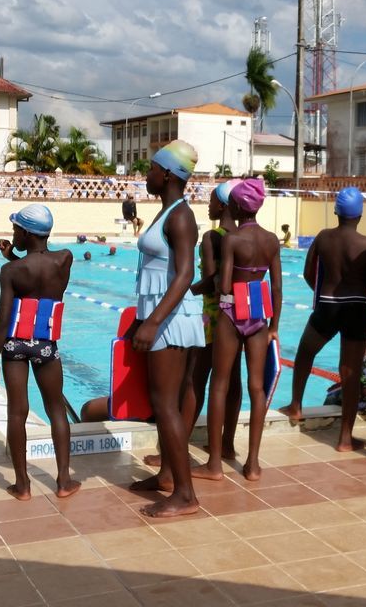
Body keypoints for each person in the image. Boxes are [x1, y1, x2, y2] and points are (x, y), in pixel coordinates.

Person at [128, 140, 204, 517]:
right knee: (166, 402)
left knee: (165, 404)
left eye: (152, 169)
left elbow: (186, 273)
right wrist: (141, 319)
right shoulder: (166, 212)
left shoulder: (180, 217)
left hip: (172, 321)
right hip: (161, 317)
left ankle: (186, 495)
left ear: (169, 175)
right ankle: (166, 477)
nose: (148, 175)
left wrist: (153, 322)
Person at [0, 204, 79, 501]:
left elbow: (3, 317)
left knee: (17, 412)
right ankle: (64, 480)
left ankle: (22, 485)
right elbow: (41, 276)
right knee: (56, 410)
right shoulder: (64, 259)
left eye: (16, 230)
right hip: (45, 343)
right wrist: (15, 252)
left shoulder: (11, 271)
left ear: (25, 232)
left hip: (15, 344)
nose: (13, 234)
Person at [278, 186, 366, 452]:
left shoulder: (323, 238)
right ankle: (345, 438)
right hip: (358, 308)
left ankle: (296, 405)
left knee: (304, 353)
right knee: (350, 371)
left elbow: (309, 273)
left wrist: (323, 294)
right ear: (360, 215)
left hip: (328, 305)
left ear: (336, 211)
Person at [197, 178, 282, 482]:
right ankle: (253, 464)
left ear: (234, 206)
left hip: (232, 313)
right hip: (259, 314)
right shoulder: (272, 240)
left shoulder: (232, 241)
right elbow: (277, 288)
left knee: (219, 385)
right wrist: (273, 327)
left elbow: (223, 285)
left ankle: (215, 464)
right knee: (256, 388)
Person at [173, 179, 242, 465]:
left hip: (214, 316)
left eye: (213, 200)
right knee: (234, 380)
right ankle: (227, 444)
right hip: (240, 315)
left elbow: (213, 282)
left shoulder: (213, 237)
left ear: (224, 205)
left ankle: (177, 449)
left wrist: (184, 290)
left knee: (195, 380)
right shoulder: (244, 235)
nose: (209, 205)